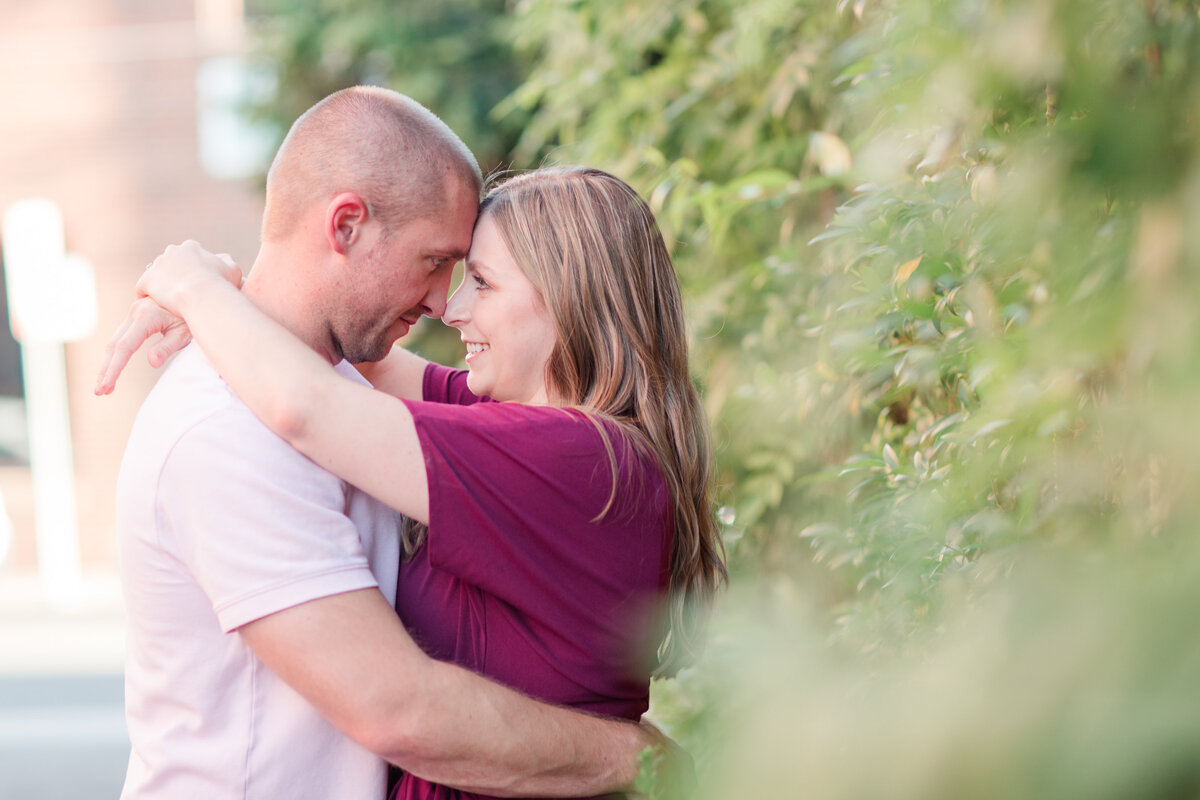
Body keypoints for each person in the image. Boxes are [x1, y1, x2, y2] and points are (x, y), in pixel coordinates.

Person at [95, 87, 666, 800]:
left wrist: (197, 287)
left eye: (476, 279)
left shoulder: (558, 450)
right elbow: (395, 711)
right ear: (346, 227)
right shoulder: (228, 426)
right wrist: (205, 290)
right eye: (437, 263)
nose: (444, 305)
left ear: (568, 303)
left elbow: (310, 394)